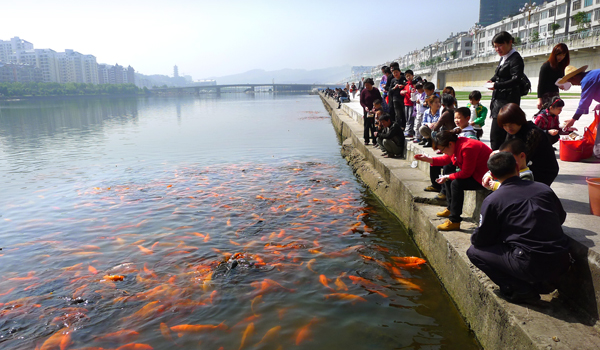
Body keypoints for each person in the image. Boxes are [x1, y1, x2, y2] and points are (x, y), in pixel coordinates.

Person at [467, 152, 570, 304]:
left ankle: (521, 290)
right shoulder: (543, 189)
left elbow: (481, 240)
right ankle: (543, 282)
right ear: (517, 167)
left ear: (493, 175)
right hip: (562, 260)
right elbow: (560, 218)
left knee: (474, 252)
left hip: (528, 263)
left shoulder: (493, 199)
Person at [414, 129, 492, 231]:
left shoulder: (467, 147)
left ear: (450, 144)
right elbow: (446, 159)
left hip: (484, 178)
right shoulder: (456, 144)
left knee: (456, 183)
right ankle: (450, 208)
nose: (442, 152)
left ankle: (454, 221)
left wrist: (447, 177)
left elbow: (466, 173)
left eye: (442, 150)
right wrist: (429, 159)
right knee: (450, 178)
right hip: (475, 174)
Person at [497, 103, 559, 186]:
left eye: (511, 124)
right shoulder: (512, 131)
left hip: (543, 170)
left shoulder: (533, 133)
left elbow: (522, 159)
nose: (508, 128)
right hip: (528, 165)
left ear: (519, 119)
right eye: (505, 125)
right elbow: (506, 152)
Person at [487, 31, 525, 150]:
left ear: (510, 42)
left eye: (500, 45)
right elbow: (498, 75)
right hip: (499, 101)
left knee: (500, 134)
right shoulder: (504, 58)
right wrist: (491, 80)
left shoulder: (515, 58)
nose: (497, 49)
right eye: (495, 46)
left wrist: (496, 85)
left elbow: (516, 80)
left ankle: (500, 161)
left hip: (507, 101)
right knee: (497, 136)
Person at [561, 65, 600, 130]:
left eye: (571, 81)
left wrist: (573, 119)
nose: (573, 84)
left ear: (574, 77)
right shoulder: (591, 75)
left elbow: (585, 101)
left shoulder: (587, 80)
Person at [537, 43, 570, 109]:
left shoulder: (561, 67)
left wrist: (562, 85)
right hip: (546, 96)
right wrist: (539, 100)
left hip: (555, 95)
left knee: (555, 115)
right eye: (559, 55)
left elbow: (559, 81)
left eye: (564, 55)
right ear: (555, 54)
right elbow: (541, 84)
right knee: (546, 116)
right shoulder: (546, 66)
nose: (561, 57)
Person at [360, 78, 382, 145]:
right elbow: (361, 101)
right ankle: (366, 140)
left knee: (374, 125)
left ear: (371, 84)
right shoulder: (364, 91)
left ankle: (374, 140)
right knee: (367, 125)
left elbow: (380, 99)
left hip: (375, 111)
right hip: (367, 111)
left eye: (368, 85)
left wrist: (376, 107)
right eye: (366, 85)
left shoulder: (376, 90)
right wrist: (365, 107)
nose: (367, 87)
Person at [401, 70, 416, 137]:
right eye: (407, 76)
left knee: (410, 118)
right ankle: (408, 130)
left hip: (411, 104)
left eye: (409, 76)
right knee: (407, 118)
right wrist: (401, 92)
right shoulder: (406, 85)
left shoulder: (414, 85)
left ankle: (409, 131)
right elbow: (403, 92)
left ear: (412, 76)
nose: (408, 77)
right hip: (406, 103)